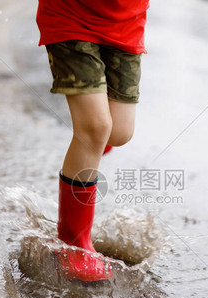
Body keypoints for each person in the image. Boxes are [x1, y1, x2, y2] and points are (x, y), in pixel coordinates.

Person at [36, 0, 149, 282]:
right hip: (71, 15)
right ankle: (73, 243)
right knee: (95, 128)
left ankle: (95, 139)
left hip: (127, 22)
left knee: (119, 133)